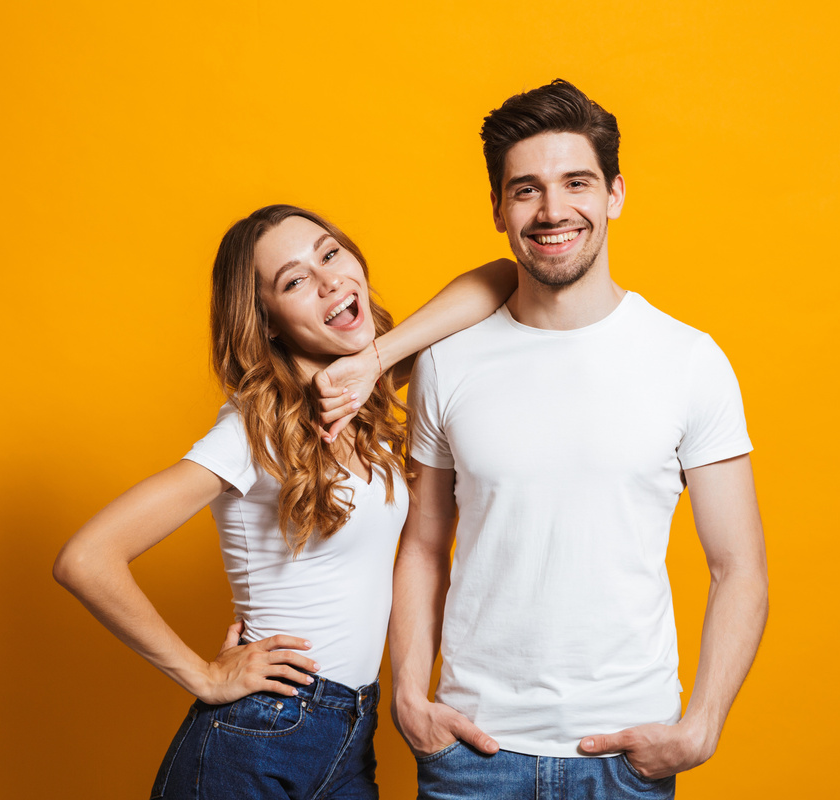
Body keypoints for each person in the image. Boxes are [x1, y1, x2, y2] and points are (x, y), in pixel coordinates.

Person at [318, 80, 769, 799]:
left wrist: (702, 725)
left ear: (615, 194)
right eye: (526, 189)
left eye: (576, 183)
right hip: (472, 754)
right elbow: (425, 545)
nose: (553, 210)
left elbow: (738, 565)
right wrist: (410, 696)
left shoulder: (689, 359)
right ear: (498, 209)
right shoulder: (446, 358)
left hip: (626, 758)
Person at [53, 203, 515, 800]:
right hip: (260, 732)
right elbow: (86, 558)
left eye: (330, 253)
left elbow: (499, 278)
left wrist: (372, 362)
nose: (329, 282)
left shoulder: (357, 400)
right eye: (294, 281)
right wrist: (203, 675)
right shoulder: (254, 430)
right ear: (267, 321)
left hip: (351, 732)